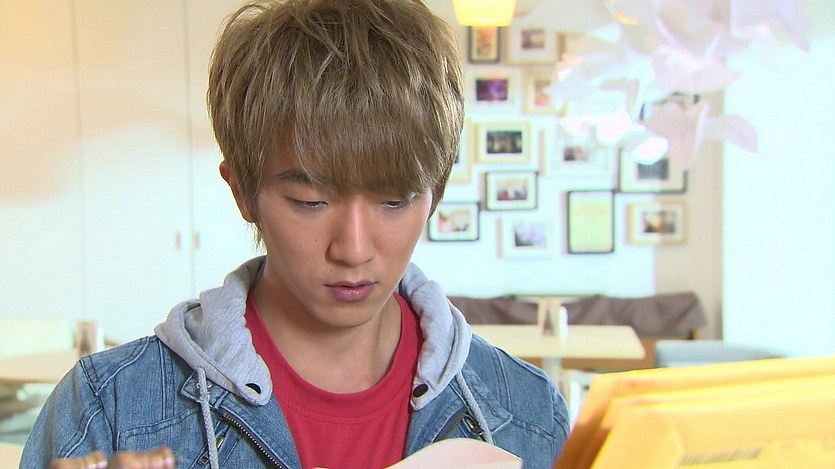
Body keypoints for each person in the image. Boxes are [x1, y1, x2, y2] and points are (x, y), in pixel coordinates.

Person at [21, 0, 570, 467]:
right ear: (242, 192)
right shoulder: (110, 409)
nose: (353, 249)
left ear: (436, 193)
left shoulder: (526, 413)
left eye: (395, 200)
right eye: (310, 202)